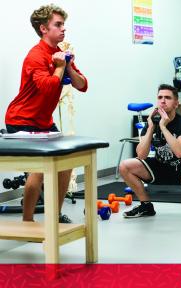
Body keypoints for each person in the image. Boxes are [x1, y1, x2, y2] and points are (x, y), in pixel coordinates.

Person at [4, 4, 88, 223]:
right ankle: (28, 221)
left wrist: (67, 66)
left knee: (66, 165)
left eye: (63, 25)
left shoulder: (60, 53)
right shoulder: (36, 56)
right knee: (38, 170)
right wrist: (60, 66)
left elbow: (83, 84)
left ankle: (54, 215)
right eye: (58, 25)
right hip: (21, 119)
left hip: (43, 121)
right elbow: (49, 87)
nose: (63, 29)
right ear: (43, 29)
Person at [118, 84, 181, 222]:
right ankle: (146, 206)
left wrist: (163, 127)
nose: (163, 101)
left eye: (167, 98)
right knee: (125, 166)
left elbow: (180, 152)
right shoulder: (152, 123)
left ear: (176, 103)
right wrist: (151, 128)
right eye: (160, 97)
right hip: (159, 166)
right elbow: (141, 155)